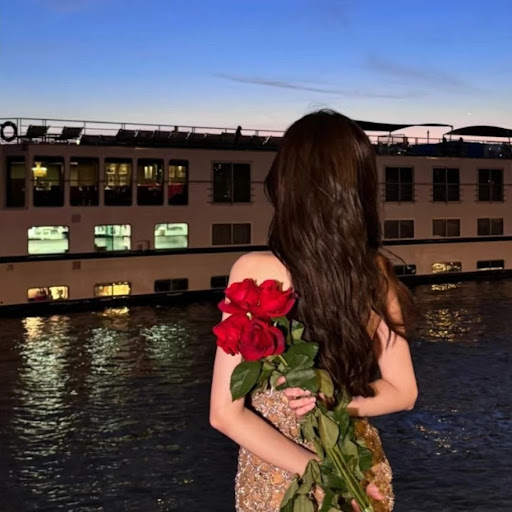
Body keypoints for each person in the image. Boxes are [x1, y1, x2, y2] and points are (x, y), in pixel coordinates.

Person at [210, 110, 418, 511]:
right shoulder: (375, 272)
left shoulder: (256, 271)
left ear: (286, 181)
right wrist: (336, 401)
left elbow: (224, 414)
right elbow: (404, 393)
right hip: (359, 466)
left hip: (281, 475)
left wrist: (323, 476)